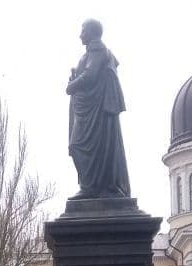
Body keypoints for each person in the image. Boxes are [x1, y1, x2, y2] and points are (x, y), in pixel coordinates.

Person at [66, 19, 130, 199]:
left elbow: (90, 76)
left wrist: (72, 86)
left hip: (96, 113)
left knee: (77, 145)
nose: (80, 35)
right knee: (81, 146)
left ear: (92, 32)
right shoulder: (91, 52)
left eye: (83, 30)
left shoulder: (98, 50)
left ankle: (90, 188)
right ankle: (91, 187)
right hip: (89, 111)